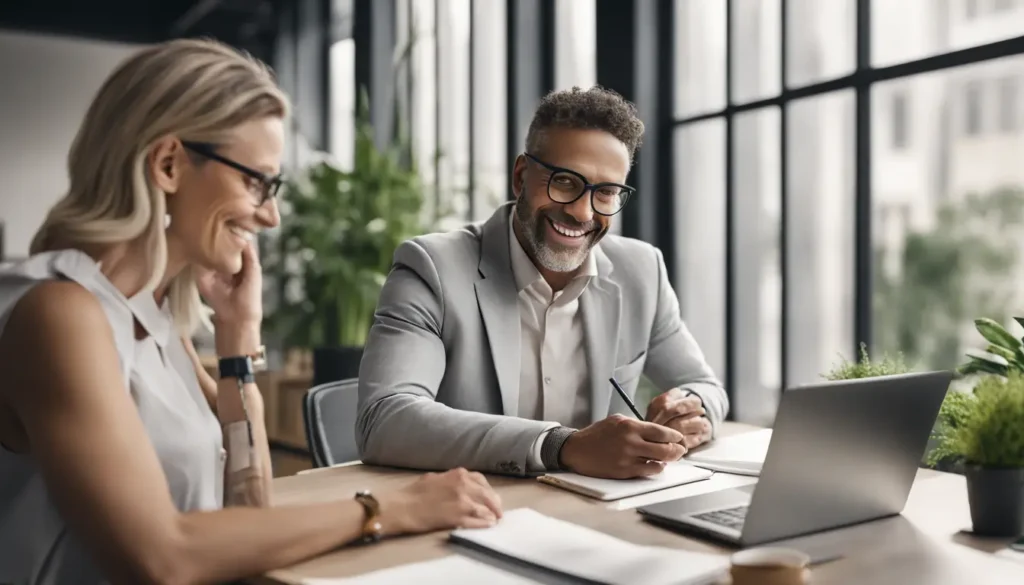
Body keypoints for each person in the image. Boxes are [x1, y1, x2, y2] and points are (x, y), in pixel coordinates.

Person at [0, 39, 502, 585]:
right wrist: (391, 509)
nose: (271, 216)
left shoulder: (153, 319)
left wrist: (238, 344)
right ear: (168, 164)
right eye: (256, 181)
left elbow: (248, 508)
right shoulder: (60, 315)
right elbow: (164, 555)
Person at [357, 86, 730, 480]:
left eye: (605, 192)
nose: (582, 211)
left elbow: (705, 386)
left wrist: (688, 410)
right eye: (565, 183)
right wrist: (560, 446)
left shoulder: (642, 271)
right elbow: (384, 418)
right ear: (521, 177)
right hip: (469, 504)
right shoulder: (432, 268)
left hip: (593, 511)